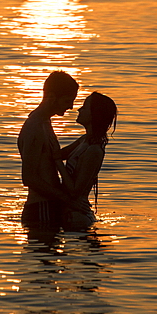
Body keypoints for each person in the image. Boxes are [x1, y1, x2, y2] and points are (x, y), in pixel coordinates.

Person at [18, 71, 79, 227]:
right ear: (52, 97)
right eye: (68, 101)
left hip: (48, 206)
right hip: (40, 208)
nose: (71, 107)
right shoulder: (35, 127)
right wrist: (66, 199)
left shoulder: (45, 123)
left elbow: (54, 157)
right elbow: (29, 178)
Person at [56, 91, 118, 231]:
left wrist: (58, 164)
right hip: (69, 211)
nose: (79, 109)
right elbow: (58, 154)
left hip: (77, 215)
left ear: (94, 114)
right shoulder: (84, 140)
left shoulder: (94, 151)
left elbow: (74, 191)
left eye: (84, 107)